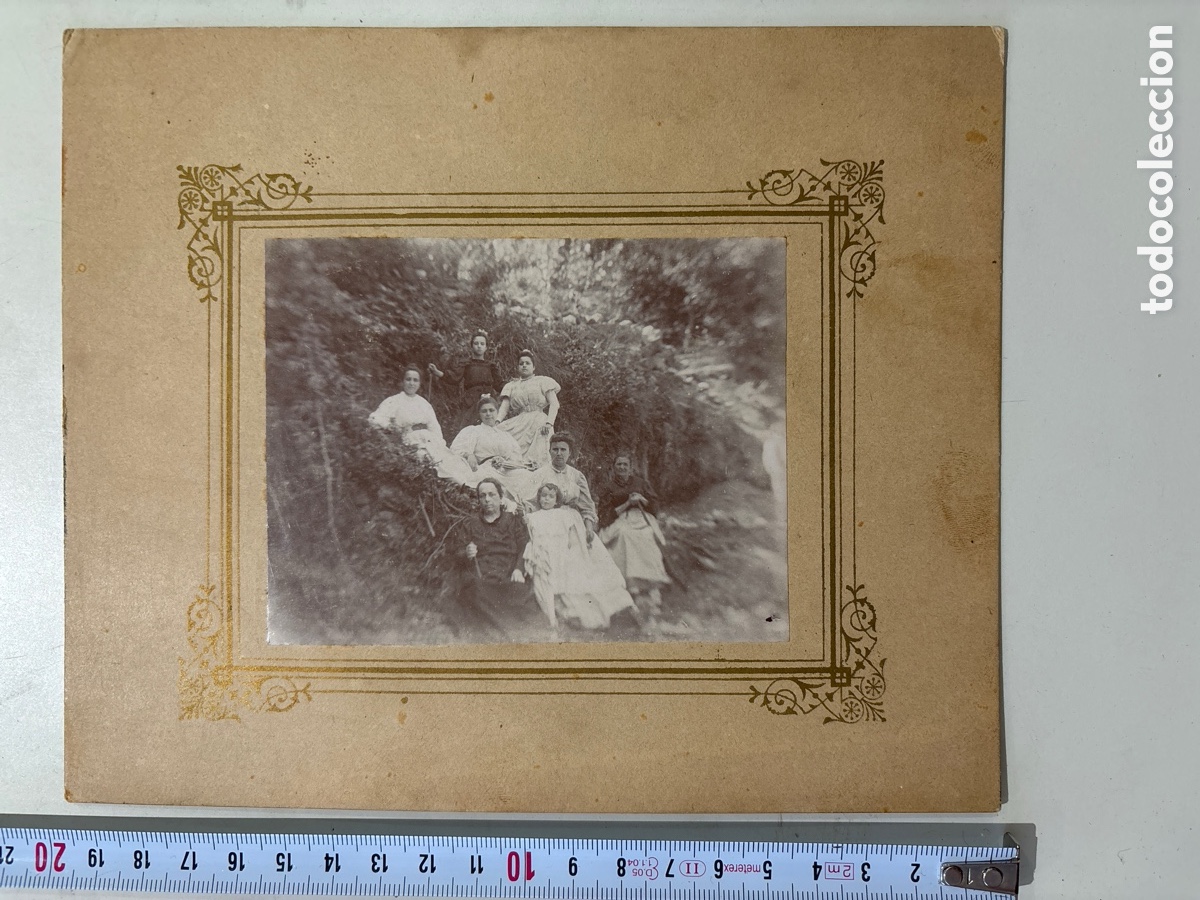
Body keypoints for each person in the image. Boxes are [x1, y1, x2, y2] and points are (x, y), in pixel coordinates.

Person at [522, 482, 635, 632]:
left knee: (573, 582)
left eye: (551, 497)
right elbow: (530, 530)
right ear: (538, 498)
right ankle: (552, 616)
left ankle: (582, 614)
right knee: (546, 580)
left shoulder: (563, 514)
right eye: (543, 496)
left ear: (557, 501)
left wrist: (568, 551)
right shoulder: (534, 516)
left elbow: (571, 538)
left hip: (560, 551)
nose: (547, 499)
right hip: (543, 553)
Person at [458, 477, 547, 641]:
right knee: (474, 593)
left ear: (501, 497)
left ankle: (507, 629)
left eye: (491, 494)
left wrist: (519, 569)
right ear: (478, 499)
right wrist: (466, 552)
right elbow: (457, 551)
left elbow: (525, 545)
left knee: (522, 595)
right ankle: (506, 631)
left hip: (508, 573)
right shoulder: (470, 523)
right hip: (483, 576)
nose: (487, 499)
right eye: (482, 496)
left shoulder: (512, 520)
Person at [368, 364, 479, 486]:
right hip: (410, 439)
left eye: (415, 380)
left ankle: (470, 485)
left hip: (429, 439)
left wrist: (439, 444)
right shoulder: (394, 401)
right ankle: (461, 485)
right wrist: (392, 428)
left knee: (450, 460)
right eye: (408, 379)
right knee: (435, 462)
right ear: (403, 381)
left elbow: (434, 428)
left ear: (419, 383)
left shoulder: (424, 403)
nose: (411, 383)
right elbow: (375, 418)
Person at [597, 452, 670, 613]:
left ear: (630, 468)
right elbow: (604, 513)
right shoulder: (609, 487)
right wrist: (627, 503)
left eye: (625, 465)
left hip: (642, 517)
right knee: (624, 535)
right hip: (620, 518)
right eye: (619, 464)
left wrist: (642, 500)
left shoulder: (641, 483)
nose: (622, 467)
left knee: (647, 535)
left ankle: (651, 581)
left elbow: (655, 506)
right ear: (614, 468)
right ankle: (631, 583)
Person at [449, 394, 538, 502]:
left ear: (497, 412)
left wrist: (507, 463)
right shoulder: (473, 431)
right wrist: (469, 454)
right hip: (486, 468)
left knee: (527, 476)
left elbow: (516, 457)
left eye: (491, 410)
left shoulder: (505, 435)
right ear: (479, 414)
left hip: (506, 469)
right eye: (484, 411)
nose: (488, 414)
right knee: (489, 484)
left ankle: (524, 507)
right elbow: (456, 448)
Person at [524, 432, 598, 546]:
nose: (559, 453)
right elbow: (529, 503)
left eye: (563, 450)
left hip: (572, 522)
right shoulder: (539, 474)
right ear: (549, 451)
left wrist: (589, 528)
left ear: (570, 452)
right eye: (555, 449)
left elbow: (586, 507)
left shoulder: (577, 476)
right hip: (547, 522)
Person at [428, 330, 504, 430]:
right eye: (476, 343)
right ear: (472, 346)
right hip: (471, 401)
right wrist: (437, 372)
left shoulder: (491, 366)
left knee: (490, 427)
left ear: (486, 347)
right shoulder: (466, 364)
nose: (479, 346)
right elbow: (454, 377)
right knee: (470, 428)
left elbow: (499, 384)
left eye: (482, 344)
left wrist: (514, 385)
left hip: (488, 399)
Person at [497, 350, 560, 469]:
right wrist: (497, 421)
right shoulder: (512, 386)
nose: (524, 365)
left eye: (527, 363)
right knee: (499, 433)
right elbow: (504, 407)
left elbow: (554, 404)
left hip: (539, 420)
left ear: (534, 367)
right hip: (520, 420)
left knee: (537, 453)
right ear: (517, 367)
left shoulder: (542, 381)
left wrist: (549, 423)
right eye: (521, 363)